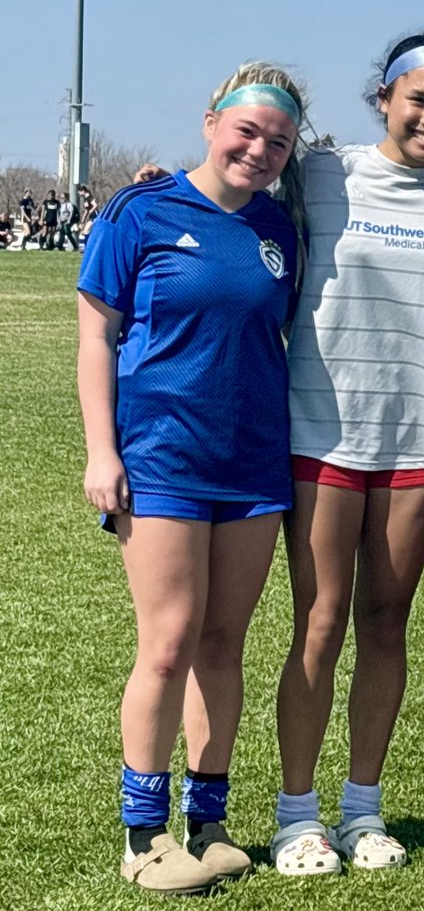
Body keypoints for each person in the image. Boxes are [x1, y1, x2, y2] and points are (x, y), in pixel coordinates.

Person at [77, 62, 304, 894]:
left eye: (278, 140)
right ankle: (144, 833)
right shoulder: (139, 210)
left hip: (252, 463)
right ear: (211, 120)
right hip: (161, 459)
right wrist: (103, 451)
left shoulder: (283, 226)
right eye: (246, 129)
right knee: (169, 641)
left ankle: (208, 822)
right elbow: (95, 339)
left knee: (222, 644)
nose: (260, 148)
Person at [271, 29, 424, 876]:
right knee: (320, 622)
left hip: (419, 440)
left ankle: (363, 808)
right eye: (420, 99)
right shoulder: (322, 171)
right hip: (323, 431)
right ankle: (299, 814)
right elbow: (235, 183)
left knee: (386, 624)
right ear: (385, 98)